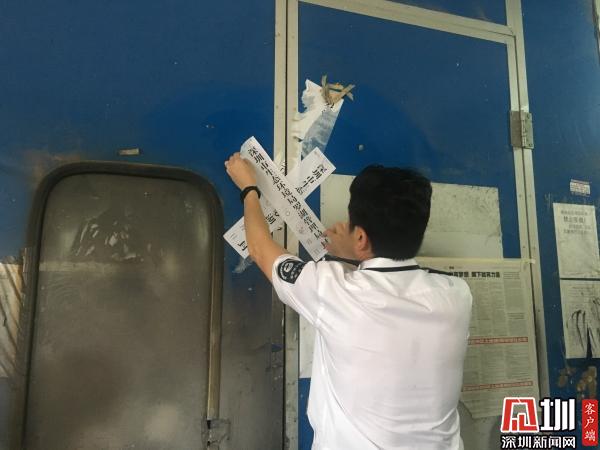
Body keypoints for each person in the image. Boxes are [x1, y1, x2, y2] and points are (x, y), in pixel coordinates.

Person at [225, 153, 472, 450]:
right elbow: (391, 284)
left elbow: (259, 248)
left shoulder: (332, 290)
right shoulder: (457, 295)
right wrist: (355, 253)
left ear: (362, 239)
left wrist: (248, 187)